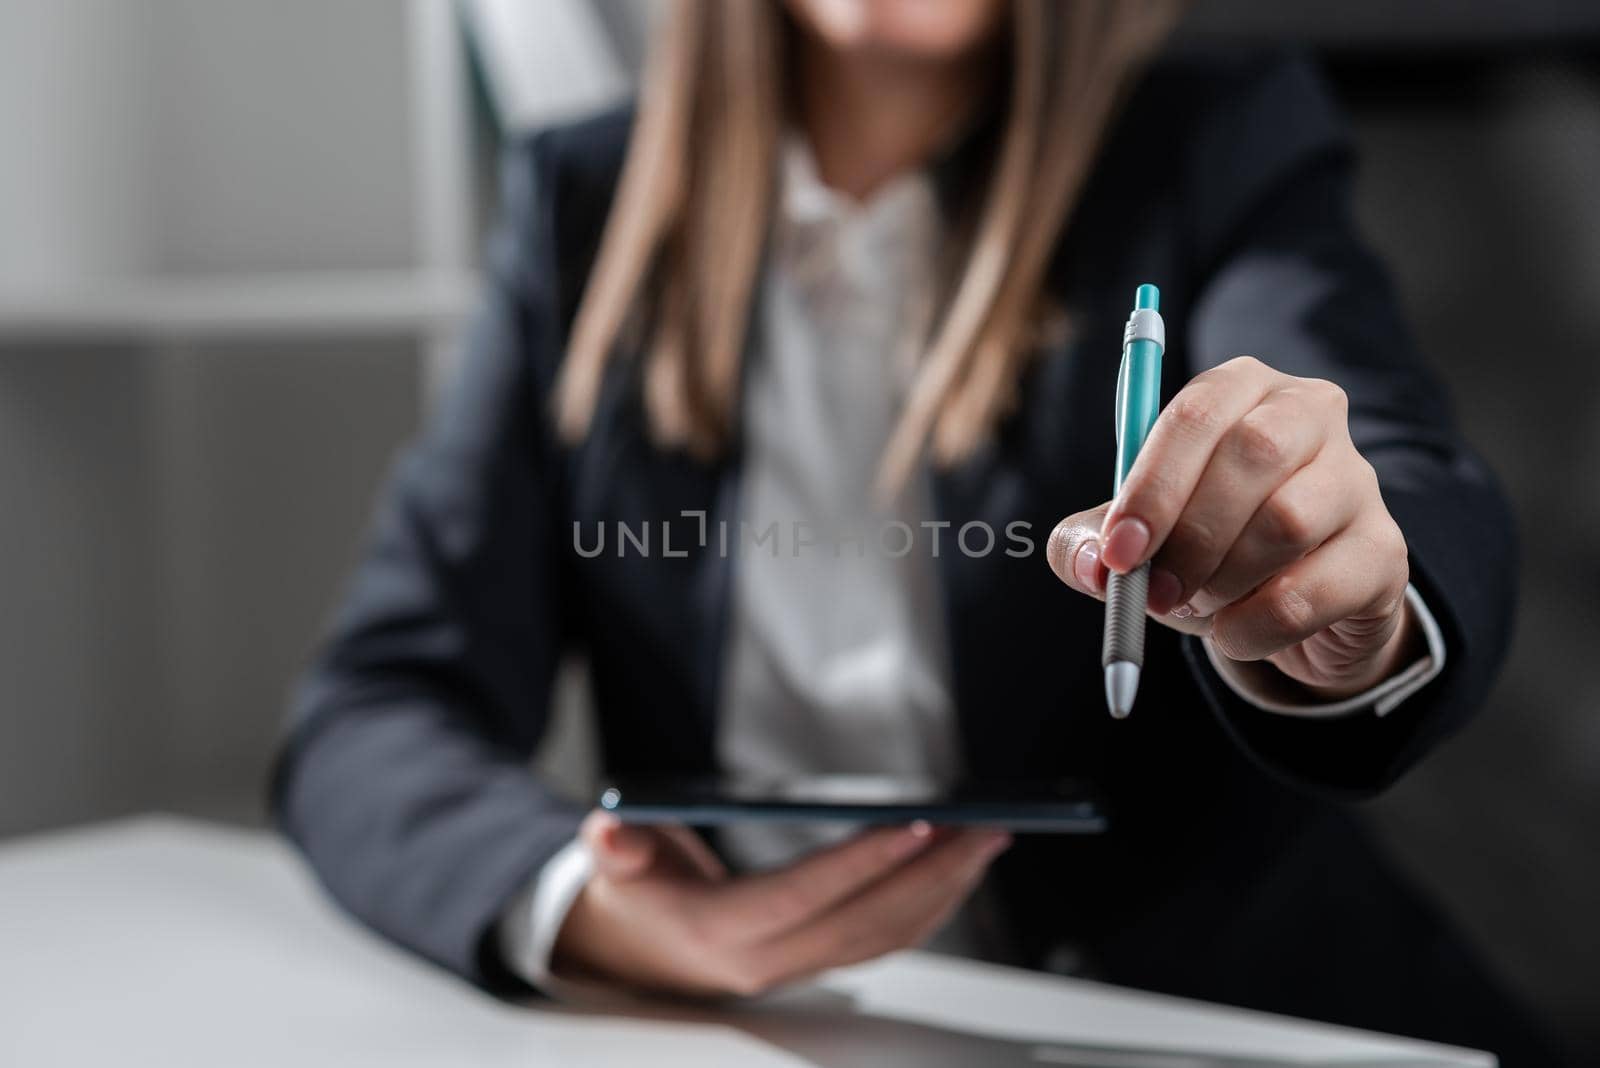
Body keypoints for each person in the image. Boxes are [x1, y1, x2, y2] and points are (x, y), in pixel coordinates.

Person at [273, 0, 1556, 1061]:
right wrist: (591, 910)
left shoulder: (1207, 139)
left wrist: (1349, 595)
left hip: (1208, 1020)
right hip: (774, 1032)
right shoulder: (580, 201)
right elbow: (376, 706)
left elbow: (1397, 462)